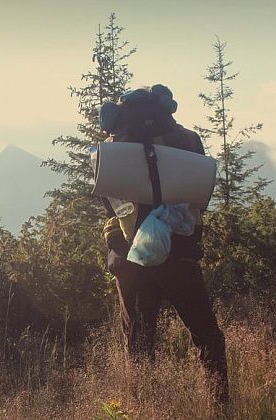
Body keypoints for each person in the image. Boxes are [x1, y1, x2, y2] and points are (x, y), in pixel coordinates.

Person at [99, 85, 229, 406]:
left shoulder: (113, 149)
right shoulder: (187, 141)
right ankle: (220, 407)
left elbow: (109, 203)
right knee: (207, 337)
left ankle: (145, 409)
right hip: (180, 254)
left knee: (139, 345)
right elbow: (203, 195)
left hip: (131, 259)